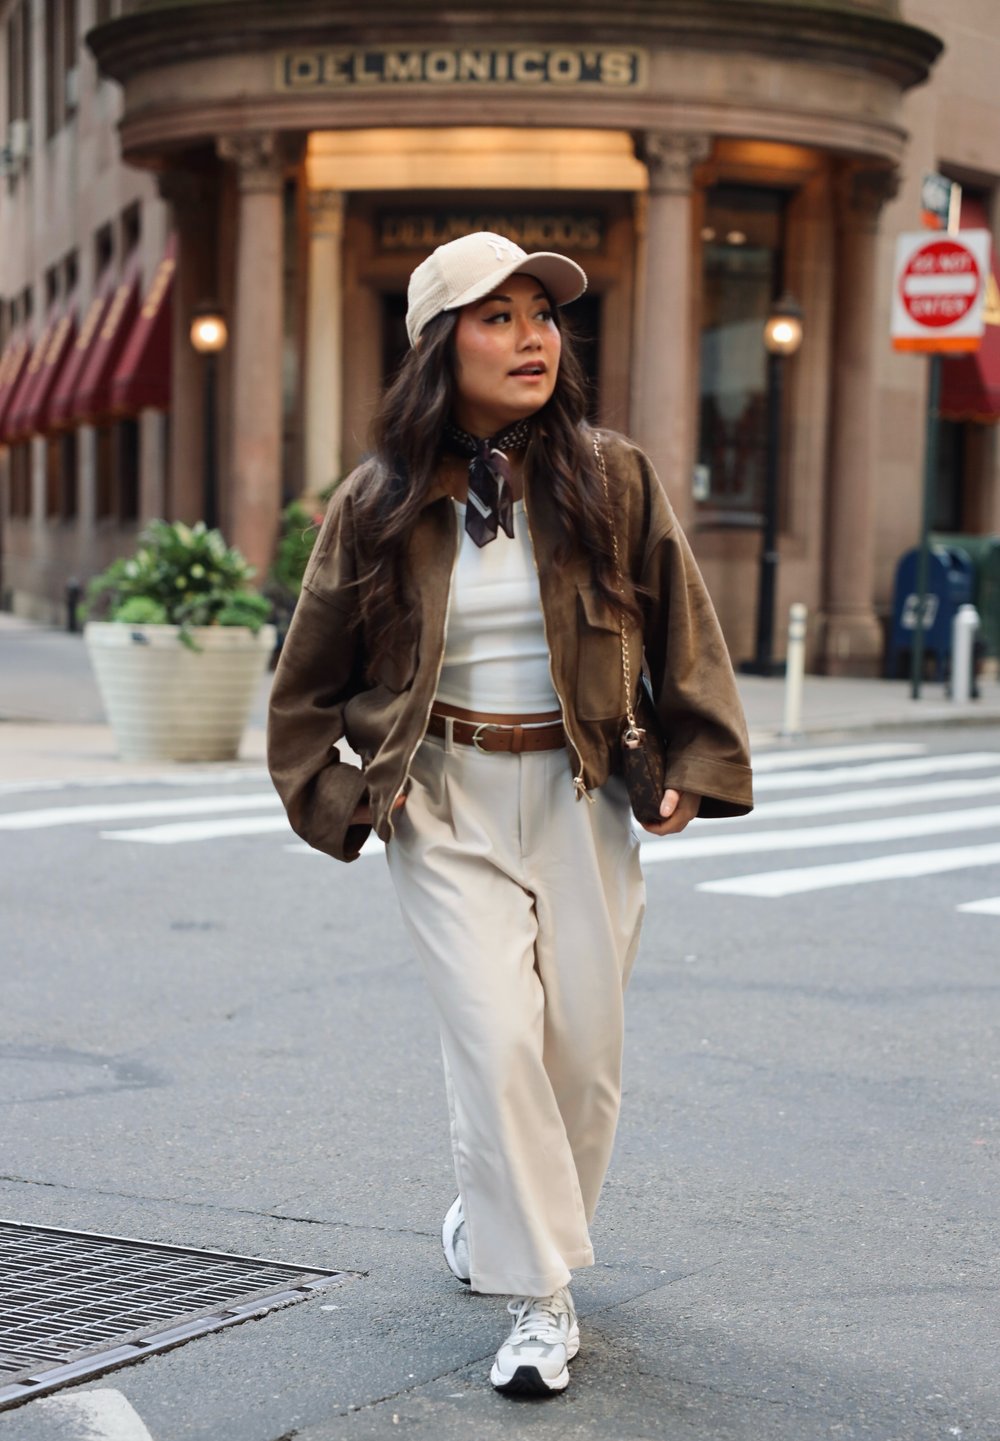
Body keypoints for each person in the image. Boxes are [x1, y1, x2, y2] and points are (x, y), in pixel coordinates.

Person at [267, 230, 753, 1398]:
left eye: (542, 314)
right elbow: (304, 684)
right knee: (493, 1042)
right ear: (442, 345)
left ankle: (499, 1222)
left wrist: (691, 756)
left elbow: (684, 627)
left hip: (582, 792)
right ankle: (538, 1299)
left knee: (579, 1058)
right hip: (442, 798)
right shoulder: (378, 500)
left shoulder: (609, 475)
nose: (532, 336)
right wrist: (345, 799)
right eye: (499, 316)